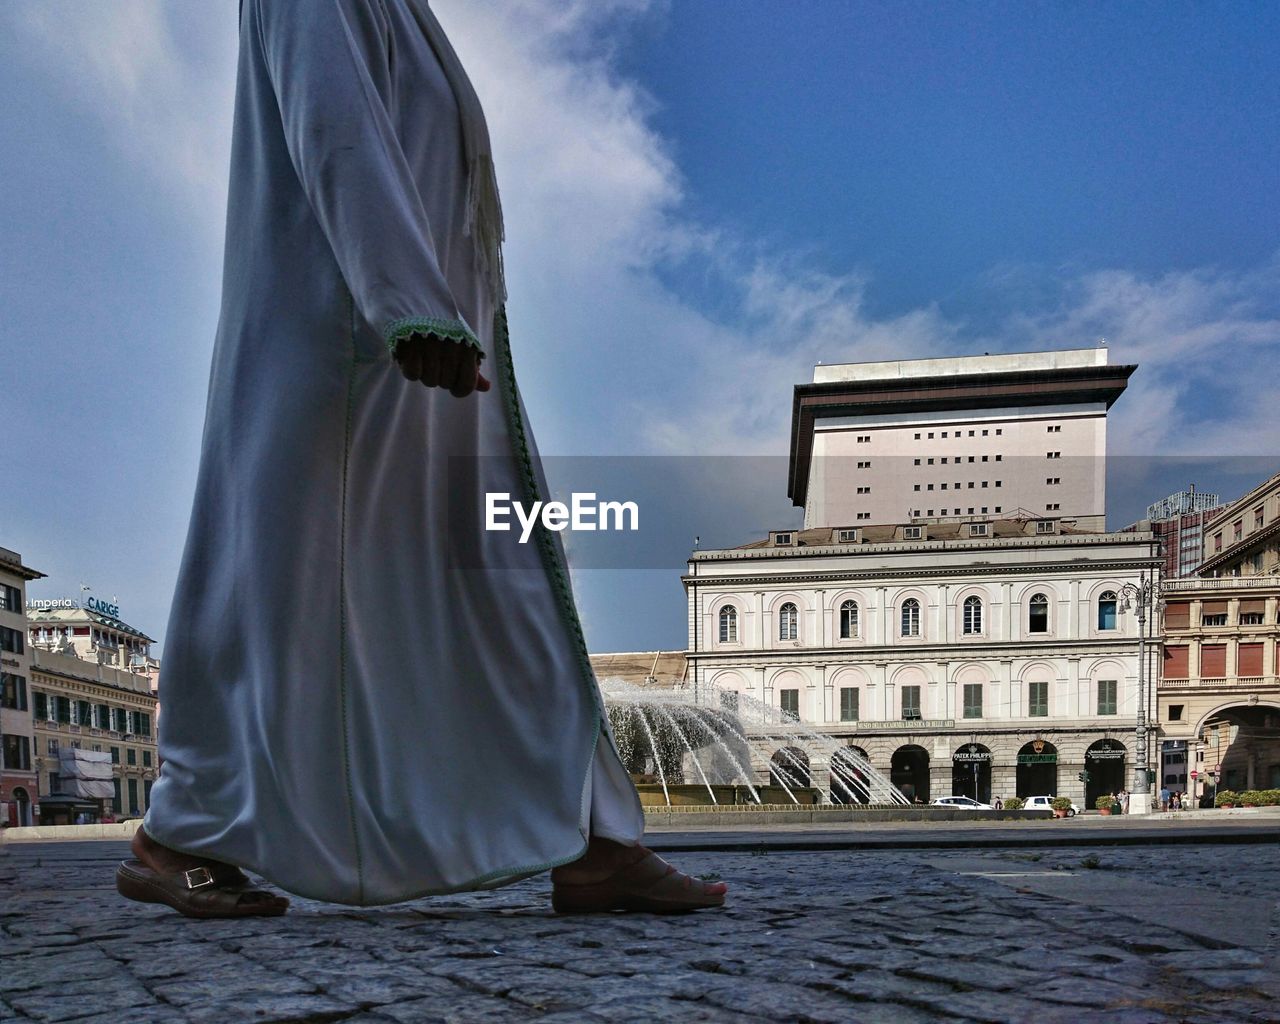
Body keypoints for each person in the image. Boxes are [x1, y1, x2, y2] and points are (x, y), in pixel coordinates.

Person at [115, 0, 725, 918]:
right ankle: (177, 834)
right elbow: (336, 123)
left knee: (505, 579)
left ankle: (595, 838)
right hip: (348, 347)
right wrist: (408, 304)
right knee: (275, 594)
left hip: (436, 360)